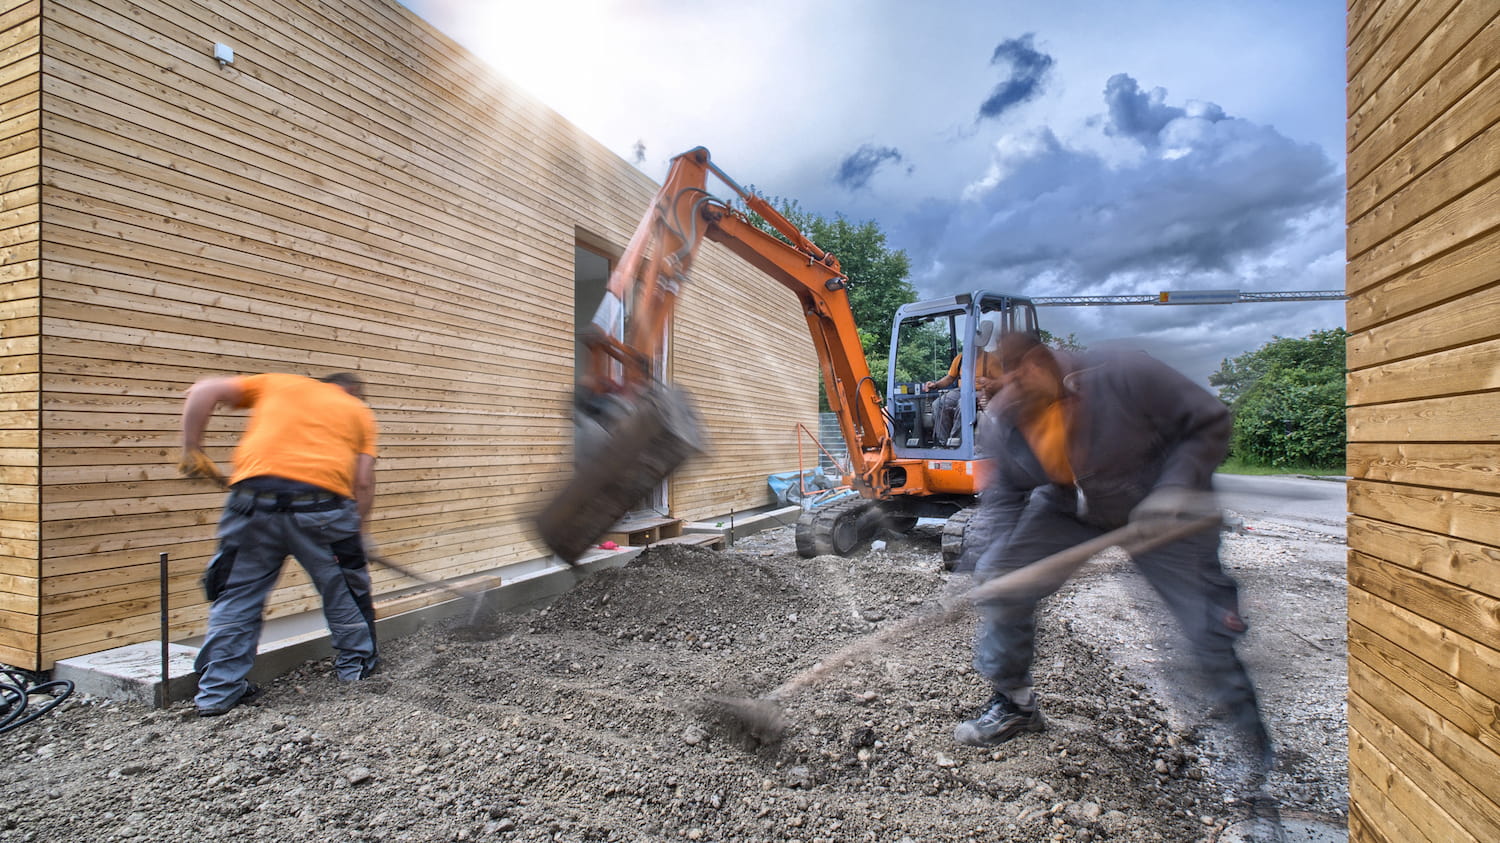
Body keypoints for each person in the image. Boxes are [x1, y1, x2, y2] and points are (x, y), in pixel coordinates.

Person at [955, 331, 1272, 774]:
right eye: (994, 384)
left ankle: (1255, 761)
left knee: (1206, 629)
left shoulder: (1122, 371)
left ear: (1040, 362)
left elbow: (1208, 418)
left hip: (1161, 503)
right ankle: (1016, 704)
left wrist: (1177, 486)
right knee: (1004, 582)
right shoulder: (1004, 417)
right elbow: (1004, 500)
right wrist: (986, 570)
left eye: (1012, 381)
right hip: (1072, 503)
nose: (999, 394)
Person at [178, 372, 379, 716]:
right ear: (352, 391)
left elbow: (204, 388)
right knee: (344, 589)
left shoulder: (278, 383)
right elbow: (362, 480)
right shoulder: (357, 410)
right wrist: (358, 532)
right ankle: (355, 672)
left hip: (251, 504)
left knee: (237, 596)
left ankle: (217, 692)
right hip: (323, 510)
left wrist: (193, 449)